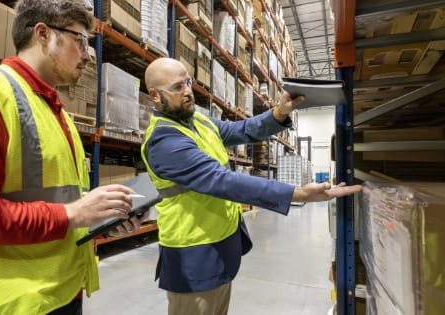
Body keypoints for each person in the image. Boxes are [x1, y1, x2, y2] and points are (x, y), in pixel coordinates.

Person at [0, 0, 147, 314]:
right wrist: (72, 215)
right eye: (80, 40)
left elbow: (54, 197)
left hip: (55, 293)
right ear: (43, 33)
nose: (89, 55)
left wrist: (100, 218)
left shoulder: (54, 110)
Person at [141, 57, 363, 315]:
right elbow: (222, 181)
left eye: (188, 82)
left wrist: (279, 112)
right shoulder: (164, 141)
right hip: (193, 257)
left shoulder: (198, 121)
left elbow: (241, 129)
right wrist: (297, 193)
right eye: (177, 87)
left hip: (219, 245)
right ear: (155, 96)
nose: (188, 91)